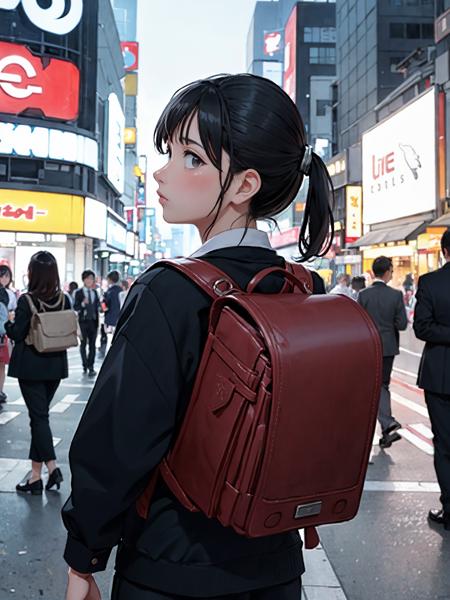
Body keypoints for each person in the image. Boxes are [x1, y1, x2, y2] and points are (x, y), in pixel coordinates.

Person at [62, 74, 332, 600]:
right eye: (170, 152)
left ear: (245, 185)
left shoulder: (168, 292)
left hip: (169, 569)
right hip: (276, 567)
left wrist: (84, 555)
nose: (163, 173)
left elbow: (117, 442)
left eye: (192, 158)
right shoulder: (303, 289)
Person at [5, 251, 69, 495]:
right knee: (39, 418)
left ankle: (52, 468)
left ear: (33, 273)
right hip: (55, 366)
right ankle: (34, 477)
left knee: (39, 418)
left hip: (31, 367)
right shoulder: (64, 299)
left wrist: (9, 323)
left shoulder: (26, 301)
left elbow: (17, 333)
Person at [413, 229, 450, 531]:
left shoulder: (430, 283)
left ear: (444, 251)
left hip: (440, 376)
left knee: (445, 445)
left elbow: (422, 328)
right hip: (439, 377)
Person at [358, 256, 408, 448]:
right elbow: (402, 324)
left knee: (374, 386)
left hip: (368, 347)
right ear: (387, 271)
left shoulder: (363, 295)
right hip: (388, 347)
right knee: (382, 385)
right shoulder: (395, 295)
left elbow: (357, 321)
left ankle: (385, 427)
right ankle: (387, 425)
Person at [74, 270, 100, 377]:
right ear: (84, 280)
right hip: (83, 322)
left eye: (91, 279)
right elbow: (75, 307)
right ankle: (85, 364)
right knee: (83, 344)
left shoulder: (95, 292)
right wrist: (82, 304)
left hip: (93, 321)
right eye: (88, 278)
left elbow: (97, 306)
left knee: (93, 345)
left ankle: (91, 366)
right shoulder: (79, 292)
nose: (90, 281)